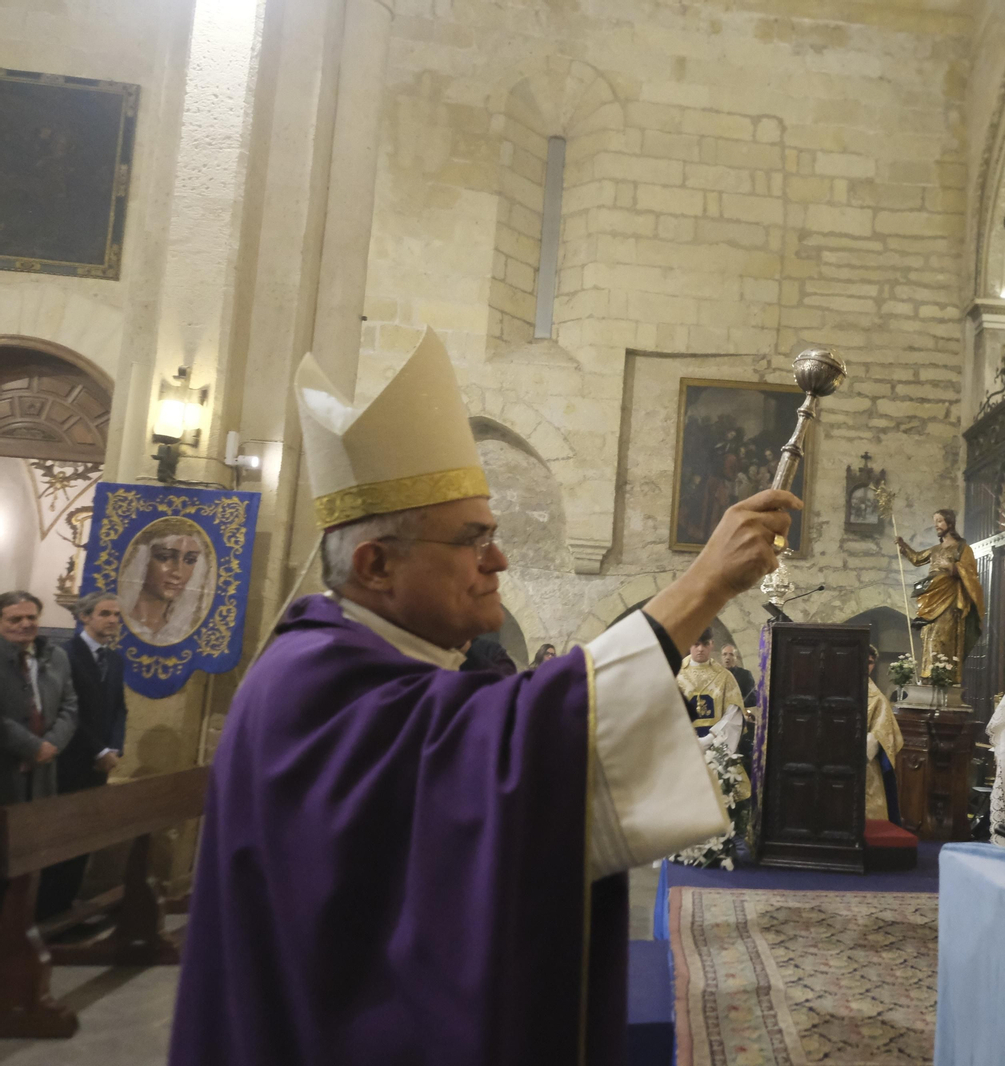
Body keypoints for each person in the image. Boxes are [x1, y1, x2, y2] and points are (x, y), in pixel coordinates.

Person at [169, 329, 801, 1066]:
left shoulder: (362, 665)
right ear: (375, 565)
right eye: (473, 540)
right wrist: (704, 584)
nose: (499, 560)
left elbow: (474, 762)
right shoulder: (311, 683)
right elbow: (522, 743)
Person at [38, 592, 128, 919]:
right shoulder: (65, 654)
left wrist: (115, 746)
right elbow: (68, 710)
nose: (113, 620)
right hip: (71, 759)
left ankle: (66, 906)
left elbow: (118, 708)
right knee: (61, 836)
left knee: (85, 835)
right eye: (105, 613)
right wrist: (99, 749)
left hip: (101, 761)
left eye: (117, 615)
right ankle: (46, 910)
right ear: (85, 617)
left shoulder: (115, 660)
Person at [0, 591, 76, 806]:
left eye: (31, 618)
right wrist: (34, 747)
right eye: (15, 619)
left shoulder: (56, 656)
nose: (25, 624)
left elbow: (70, 705)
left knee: (36, 829)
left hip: (44, 766)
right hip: (5, 763)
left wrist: (52, 744)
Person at [895, 507, 984, 686]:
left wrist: (953, 568)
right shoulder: (935, 549)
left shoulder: (962, 548)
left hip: (949, 598)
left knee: (943, 635)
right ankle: (927, 675)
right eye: (935, 521)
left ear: (950, 523)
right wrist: (903, 546)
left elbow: (972, 573)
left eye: (940, 521)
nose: (936, 525)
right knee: (929, 634)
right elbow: (917, 558)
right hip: (932, 597)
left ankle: (943, 676)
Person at [121, 520, 211, 645]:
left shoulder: (183, 631)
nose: (178, 572)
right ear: (141, 561)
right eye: (164, 557)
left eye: (190, 560)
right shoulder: (119, 622)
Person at [678, 629, 746, 749]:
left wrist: (708, 739)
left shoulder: (725, 676)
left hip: (716, 745)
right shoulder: (675, 674)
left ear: (712, 644)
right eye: (696, 644)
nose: (700, 649)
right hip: (682, 744)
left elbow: (733, 715)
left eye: (705, 644)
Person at [864, 645, 904, 824]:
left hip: (864, 763)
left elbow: (882, 730)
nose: (867, 666)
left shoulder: (877, 697)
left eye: (870, 663)